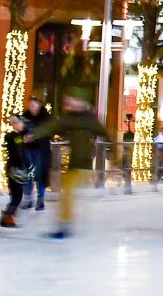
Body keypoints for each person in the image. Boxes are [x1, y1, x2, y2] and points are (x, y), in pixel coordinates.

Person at [29, 93, 108, 238]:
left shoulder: (88, 119)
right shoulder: (70, 118)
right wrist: (35, 134)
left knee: (67, 194)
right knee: (66, 194)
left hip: (84, 164)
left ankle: (65, 226)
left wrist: (114, 152)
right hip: (75, 163)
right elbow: (53, 126)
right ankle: (65, 224)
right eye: (67, 103)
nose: (68, 105)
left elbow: (104, 132)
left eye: (71, 101)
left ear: (81, 102)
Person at [0, 115, 33, 228]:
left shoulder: (19, 136)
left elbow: (30, 129)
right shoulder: (13, 137)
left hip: (17, 169)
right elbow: (17, 151)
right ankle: (7, 217)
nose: (22, 125)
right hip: (14, 170)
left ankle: (8, 216)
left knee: (16, 196)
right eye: (20, 123)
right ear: (14, 124)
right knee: (17, 196)